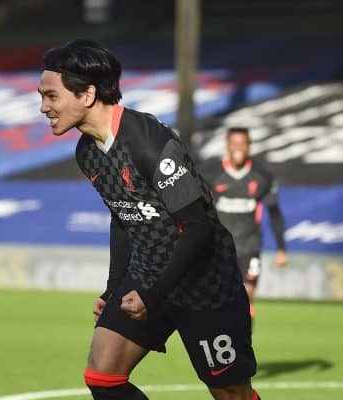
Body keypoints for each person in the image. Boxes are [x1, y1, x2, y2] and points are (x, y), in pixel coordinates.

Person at [38, 40, 261, 400]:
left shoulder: (146, 140)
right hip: (147, 275)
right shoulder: (88, 153)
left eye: (51, 96)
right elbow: (122, 217)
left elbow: (199, 225)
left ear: (88, 94)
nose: (43, 107)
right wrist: (113, 289)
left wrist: (152, 296)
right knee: (102, 374)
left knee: (231, 393)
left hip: (204, 282)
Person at [201, 127, 288, 321]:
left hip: (250, 246)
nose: (238, 148)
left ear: (249, 146)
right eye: (234, 143)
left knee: (245, 299)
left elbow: (275, 213)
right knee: (218, 300)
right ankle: (221, 346)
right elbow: (197, 209)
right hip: (219, 248)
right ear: (228, 145)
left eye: (243, 144)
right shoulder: (211, 174)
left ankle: (242, 349)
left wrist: (281, 249)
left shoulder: (262, 176)